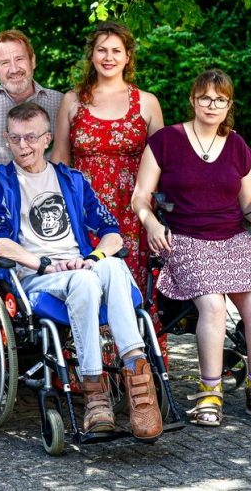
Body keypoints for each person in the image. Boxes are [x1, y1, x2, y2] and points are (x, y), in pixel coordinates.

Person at [0, 101, 162, 442]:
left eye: (31, 138)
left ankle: (139, 384)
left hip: (80, 265)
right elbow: (0, 244)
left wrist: (93, 256)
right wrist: (43, 262)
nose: (23, 146)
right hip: (35, 278)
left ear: (47, 138)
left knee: (113, 267)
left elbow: (111, 232)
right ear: (6, 138)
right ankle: (95, 396)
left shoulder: (71, 180)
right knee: (86, 281)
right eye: (15, 139)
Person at [132, 69, 251, 427]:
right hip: (185, 238)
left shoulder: (236, 145)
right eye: (205, 97)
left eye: (220, 99)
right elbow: (140, 197)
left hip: (231, 238)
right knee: (213, 305)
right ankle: (209, 391)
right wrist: (152, 221)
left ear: (229, 104)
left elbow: (248, 200)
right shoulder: (166, 141)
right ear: (193, 100)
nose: (212, 105)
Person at [50, 21, 163, 296]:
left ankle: (136, 339)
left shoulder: (147, 102)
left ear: (127, 57)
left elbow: (163, 163)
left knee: (132, 285)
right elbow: (59, 161)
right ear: (92, 55)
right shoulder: (73, 100)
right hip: (85, 207)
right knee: (88, 280)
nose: (108, 57)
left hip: (134, 207)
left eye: (116, 51)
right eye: (102, 50)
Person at [0, 30, 63, 166]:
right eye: (5, 63)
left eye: (19, 59)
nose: (14, 69)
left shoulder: (60, 104)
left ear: (32, 61)